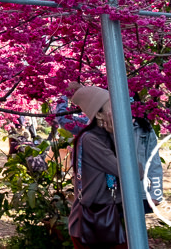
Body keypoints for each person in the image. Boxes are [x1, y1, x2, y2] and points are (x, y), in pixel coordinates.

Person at [67, 85, 126, 249]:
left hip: (106, 219)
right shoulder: (90, 140)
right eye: (111, 106)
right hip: (95, 223)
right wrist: (116, 136)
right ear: (98, 114)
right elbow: (131, 171)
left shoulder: (105, 136)